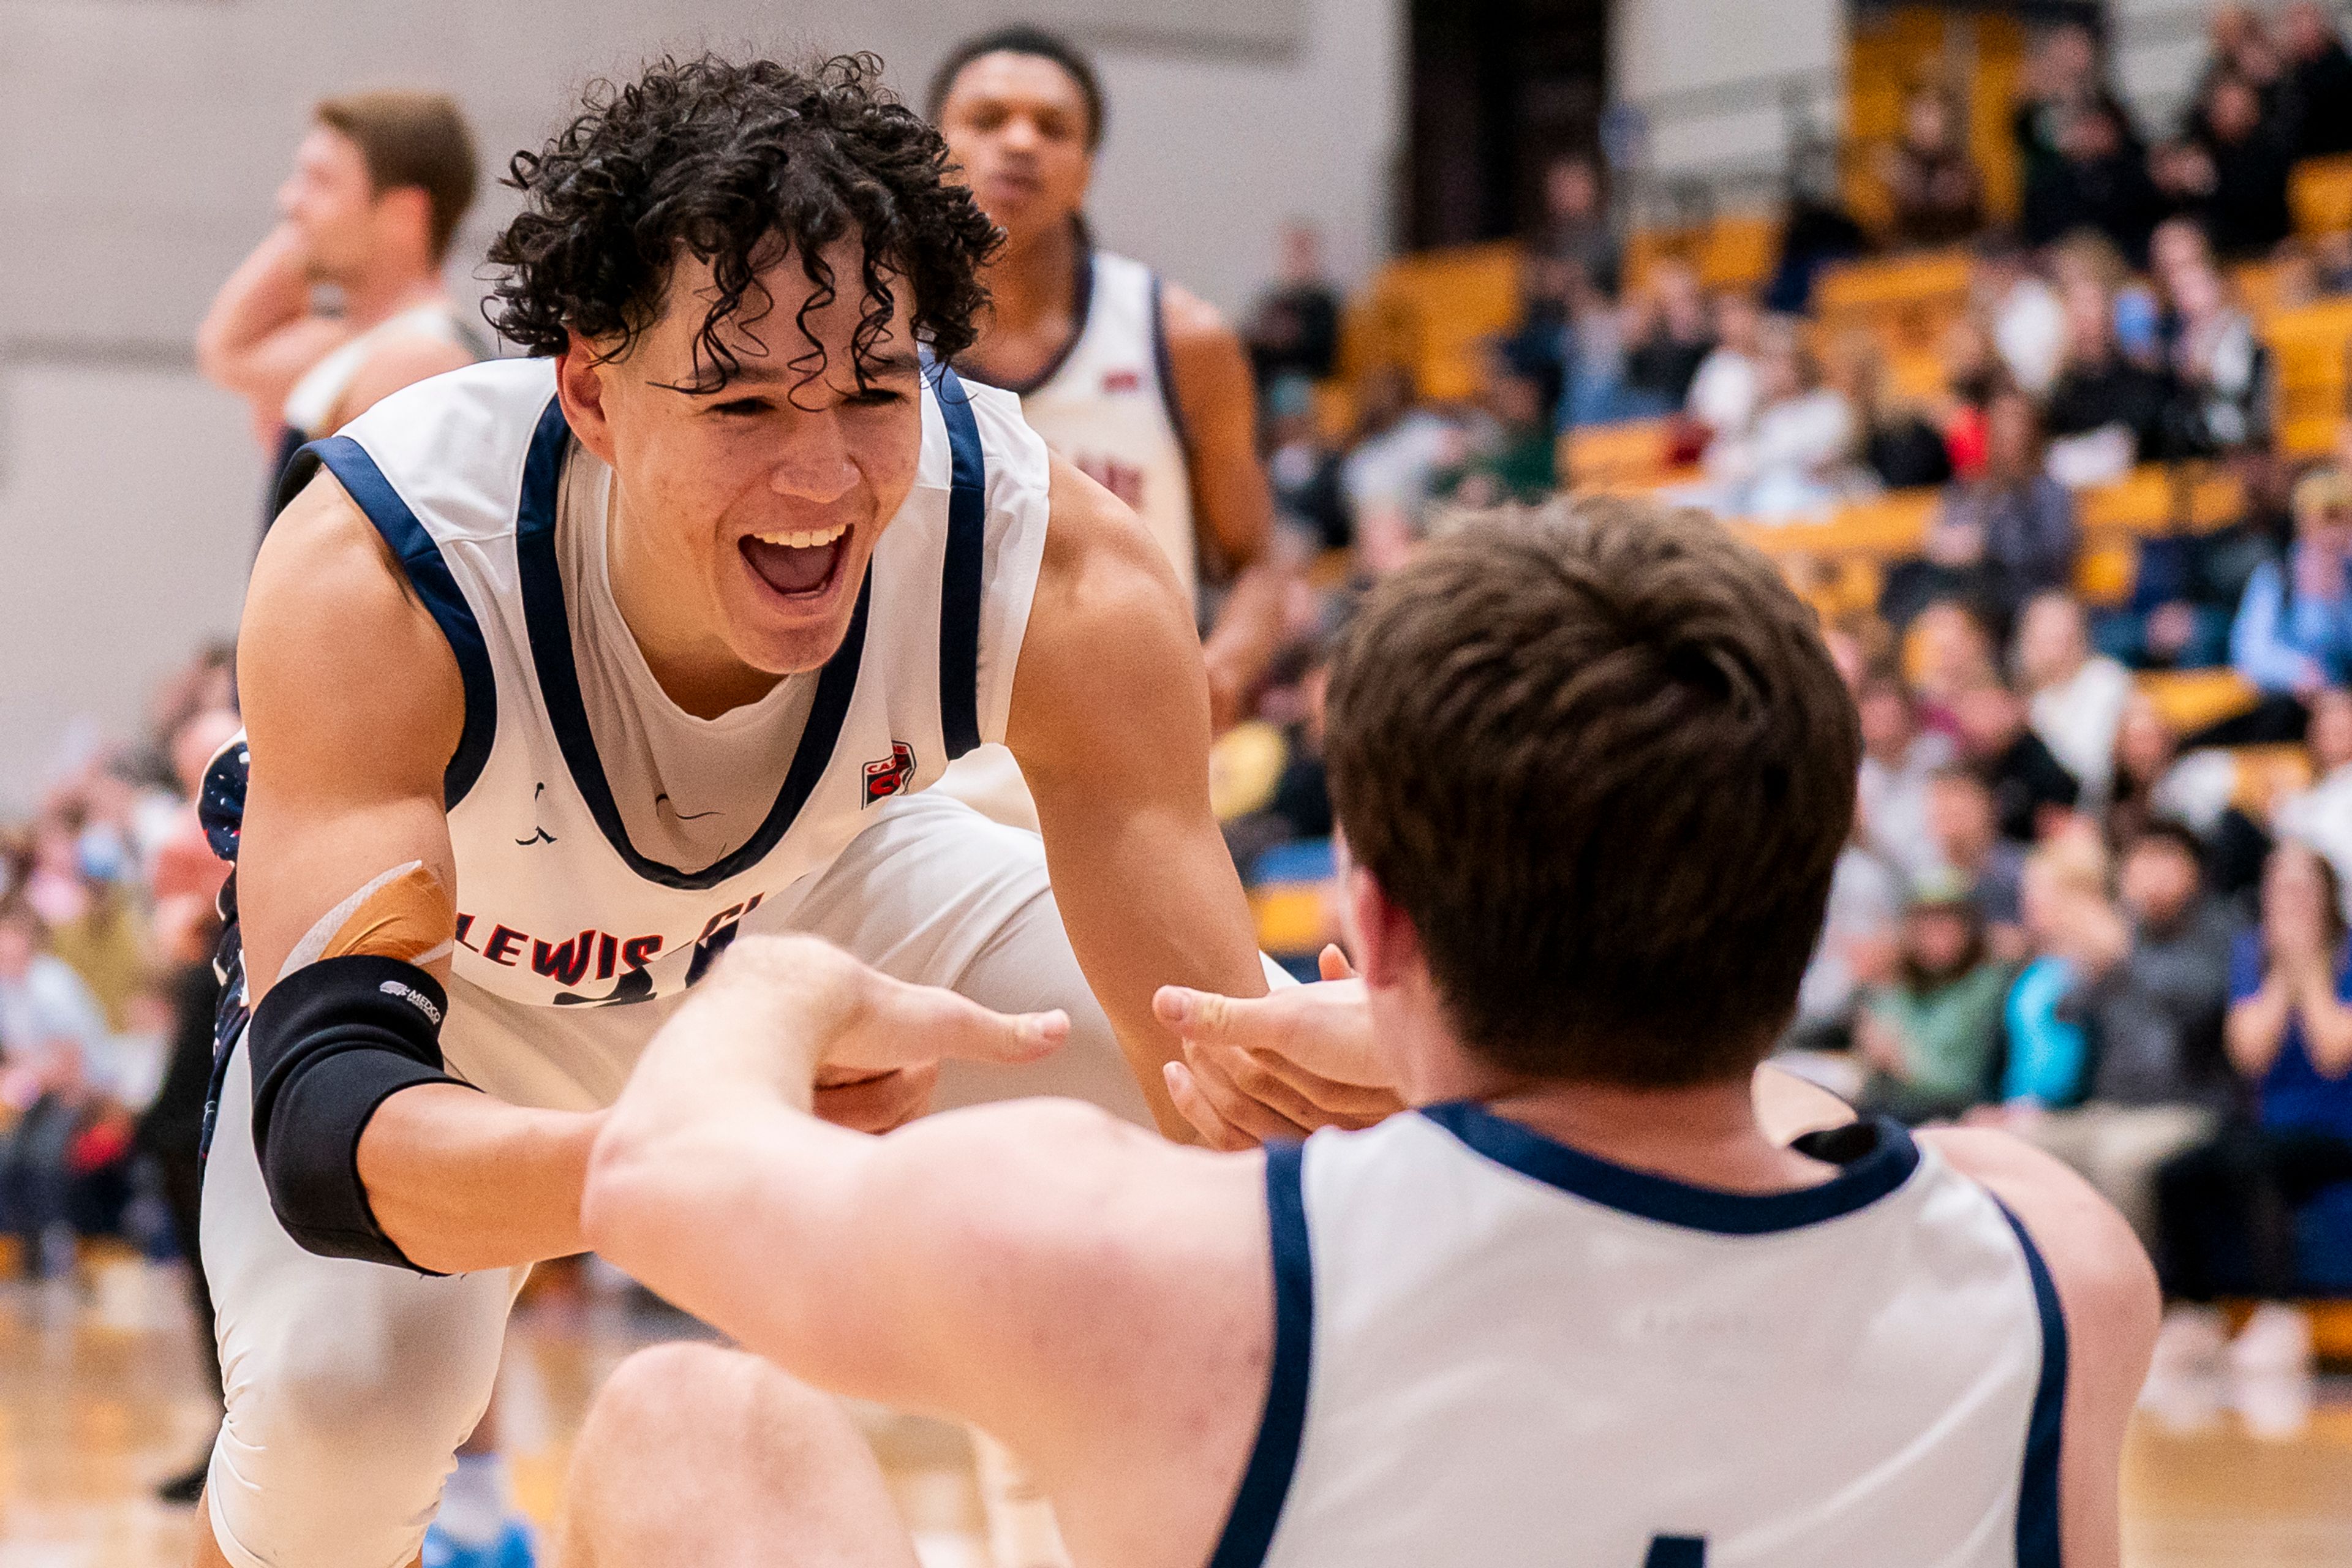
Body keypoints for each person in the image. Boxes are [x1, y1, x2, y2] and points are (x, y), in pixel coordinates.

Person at [187, 56, 1329, 1568]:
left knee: (1209, 1119)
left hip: (822, 896)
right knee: (341, 1415)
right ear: (588, 386)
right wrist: (689, 1139)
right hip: (470, 985)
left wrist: (1396, 1085)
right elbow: (331, 1127)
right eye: (736, 398)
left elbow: (1224, 1083)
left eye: (871, 388)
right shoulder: (388, 558)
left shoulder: (1051, 560)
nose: (819, 474)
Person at [550, 497, 2157, 1568]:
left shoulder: (1163, 1263)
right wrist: (1427, 1041)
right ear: (1807, 914)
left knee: (696, 1426)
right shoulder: (2060, 1266)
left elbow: (657, 1173)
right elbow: (1810, 1128)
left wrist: (776, 976)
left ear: (1373, 924)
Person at [928, 26, 1281, 751]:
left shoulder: (1185, 341)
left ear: (1086, 169)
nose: (1020, 142)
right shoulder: (875, 339)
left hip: (1134, 772)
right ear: (935, 152)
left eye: (1053, 127)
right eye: (989, 120)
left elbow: (1262, 564)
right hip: (929, 785)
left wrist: (1228, 664)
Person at [197, 91, 482, 510]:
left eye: (321, 181)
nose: (289, 200)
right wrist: (305, 226)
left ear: (404, 214)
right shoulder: (357, 344)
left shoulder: (417, 364)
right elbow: (227, 352)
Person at [2151, 844, 2352, 1437]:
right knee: (2178, 1171)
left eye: (2299, 888)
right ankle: (2196, 1311)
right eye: (2277, 887)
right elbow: (2249, 1053)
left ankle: (2279, 1313)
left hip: (2336, 1129)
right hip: (2271, 1123)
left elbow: (2333, 1051)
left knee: (2258, 1166)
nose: (2286, 901)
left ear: (2325, 894)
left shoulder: (2346, 954)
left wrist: (2309, 969)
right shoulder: (2250, 956)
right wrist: (2278, 976)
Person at [2001, 821, 2238, 1248]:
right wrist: (2084, 961)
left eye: (2166, 858)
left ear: (2194, 871)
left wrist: (2120, 957)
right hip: (2109, 1107)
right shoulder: (2124, 931)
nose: (2153, 873)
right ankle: (2051, 1290)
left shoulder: (2219, 929)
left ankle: (2138, 1298)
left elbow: (2201, 1003)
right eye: (2142, 860)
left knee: (2117, 1161)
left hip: (2187, 1107)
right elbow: (2068, 1011)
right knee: (2013, 1146)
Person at [1882, 391, 2078, 634]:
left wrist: (1987, 544)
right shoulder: (1971, 486)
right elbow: (1944, 534)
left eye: (2016, 421)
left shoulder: (2049, 491)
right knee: (1909, 577)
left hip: (2019, 596)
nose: (2009, 432)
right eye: (2001, 422)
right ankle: (1897, 631)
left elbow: (2053, 552)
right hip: (1965, 590)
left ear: (2033, 429)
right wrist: (1944, 541)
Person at [0, 897, 110, 1279]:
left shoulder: (52, 984)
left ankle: (56, 1245)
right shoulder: (6, 988)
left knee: (46, 1154)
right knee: (10, 1154)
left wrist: (28, 1079)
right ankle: (22, 1247)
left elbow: (74, 1063)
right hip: (39, 1089)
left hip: (80, 1088)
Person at [1856, 872, 2015, 1123]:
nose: (1935, 934)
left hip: (1951, 1115)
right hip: (1890, 1109)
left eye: (1946, 922)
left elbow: (1961, 1081)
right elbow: (1874, 1048)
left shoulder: (1984, 984)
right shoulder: (1902, 980)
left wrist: (1900, 1061)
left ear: (1968, 928)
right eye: (1925, 923)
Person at [2017, 590, 2135, 809]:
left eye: (2059, 634)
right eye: (2041, 634)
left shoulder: (2104, 679)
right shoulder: (2025, 696)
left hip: (2087, 811)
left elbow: (2092, 769)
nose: (2051, 643)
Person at [2272, 685, 2352, 916]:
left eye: (2344, 719)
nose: (2336, 726)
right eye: (2326, 721)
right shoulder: (2298, 801)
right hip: (2323, 924)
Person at [1877, 82, 1985, 248]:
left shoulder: (1961, 166)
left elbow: (1968, 216)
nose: (1924, 123)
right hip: (1909, 256)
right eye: (1917, 115)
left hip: (1953, 253)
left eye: (1931, 115)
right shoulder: (1894, 161)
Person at [1243, 221, 1342, 391]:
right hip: (1265, 381)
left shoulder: (1324, 303)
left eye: (1303, 250)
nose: (1297, 256)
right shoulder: (1273, 299)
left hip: (1303, 382)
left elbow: (1322, 352)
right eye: (1294, 249)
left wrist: (1287, 340)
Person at [2280, 0, 2352, 158]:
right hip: (2310, 163)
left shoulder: (2342, 63)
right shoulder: (2289, 73)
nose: (2302, 27)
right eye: (2295, 22)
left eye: (2306, 18)